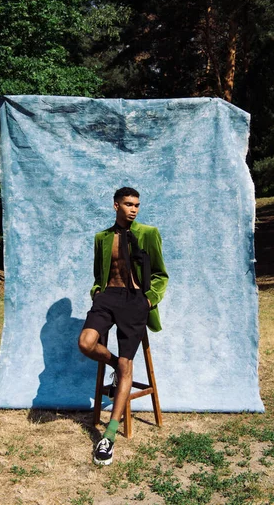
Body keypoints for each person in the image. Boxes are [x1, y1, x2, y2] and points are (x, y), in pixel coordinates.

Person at [78, 187, 168, 465]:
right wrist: (97, 293)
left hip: (135, 301)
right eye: (128, 204)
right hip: (108, 298)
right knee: (86, 343)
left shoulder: (148, 233)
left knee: (128, 366)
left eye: (137, 205)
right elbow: (98, 274)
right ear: (115, 205)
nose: (134, 209)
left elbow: (161, 274)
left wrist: (149, 299)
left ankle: (109, 437)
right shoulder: (101, 238)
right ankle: (117, 365)